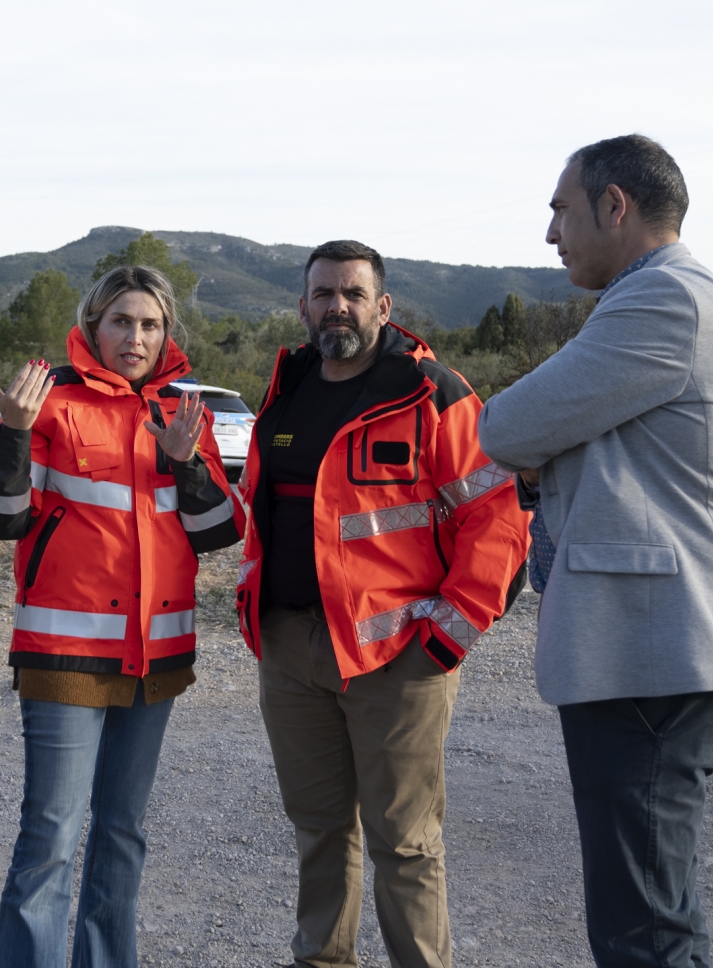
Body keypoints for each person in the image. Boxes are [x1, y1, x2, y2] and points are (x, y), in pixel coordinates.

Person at [478, 135, 713, 967]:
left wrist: (546, 450)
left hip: (657, 652)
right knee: (644, 912)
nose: (551, 235)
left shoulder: (664, 301)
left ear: (613, 205)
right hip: (659, 650)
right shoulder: (665, 300)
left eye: (560, 210)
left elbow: (505, 427)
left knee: (643, 928)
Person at [234, 240, 531, 968]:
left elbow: (498, 517)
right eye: (323, 293)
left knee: (404, 841)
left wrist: (448, 635)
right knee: (318, 829)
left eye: (352, 294)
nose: (337, 306)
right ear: (303, 306)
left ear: (382, 306)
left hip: (396, 656)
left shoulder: (431, 392)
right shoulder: (288, 388)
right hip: (290, 646)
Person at [0, 265, 244, 968]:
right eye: (121, 321)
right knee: (51, 836)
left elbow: (217, 530)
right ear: (94, 324)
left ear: (166, 332)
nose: (136, 337)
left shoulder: (185, 410)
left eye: (150, 324)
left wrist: (187, 464)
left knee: (122, 832)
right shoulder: (50, 400)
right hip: (63, 651)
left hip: (157, 656)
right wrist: (14, 434)